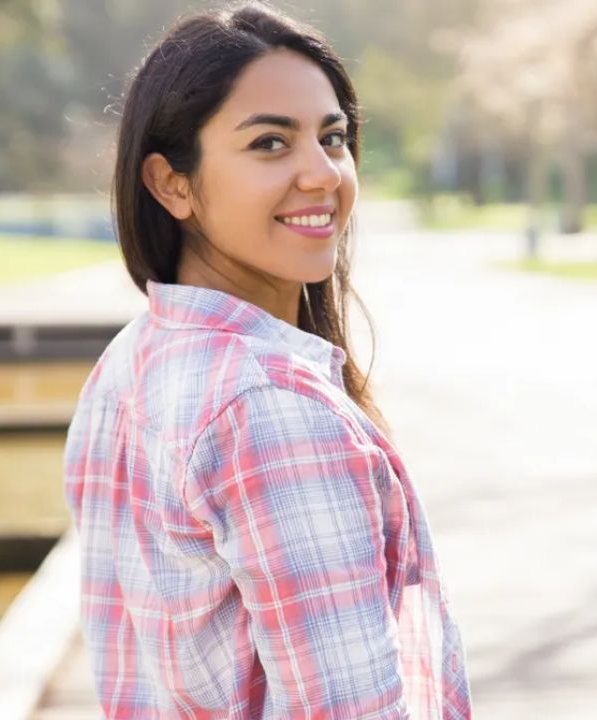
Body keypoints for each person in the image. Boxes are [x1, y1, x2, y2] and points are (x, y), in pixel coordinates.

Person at [62, 4, 471, 717]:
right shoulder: (270, 409)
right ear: (171, 183)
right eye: (271, 145)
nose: (323, 175)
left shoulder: (133, 361)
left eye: (333, 137)